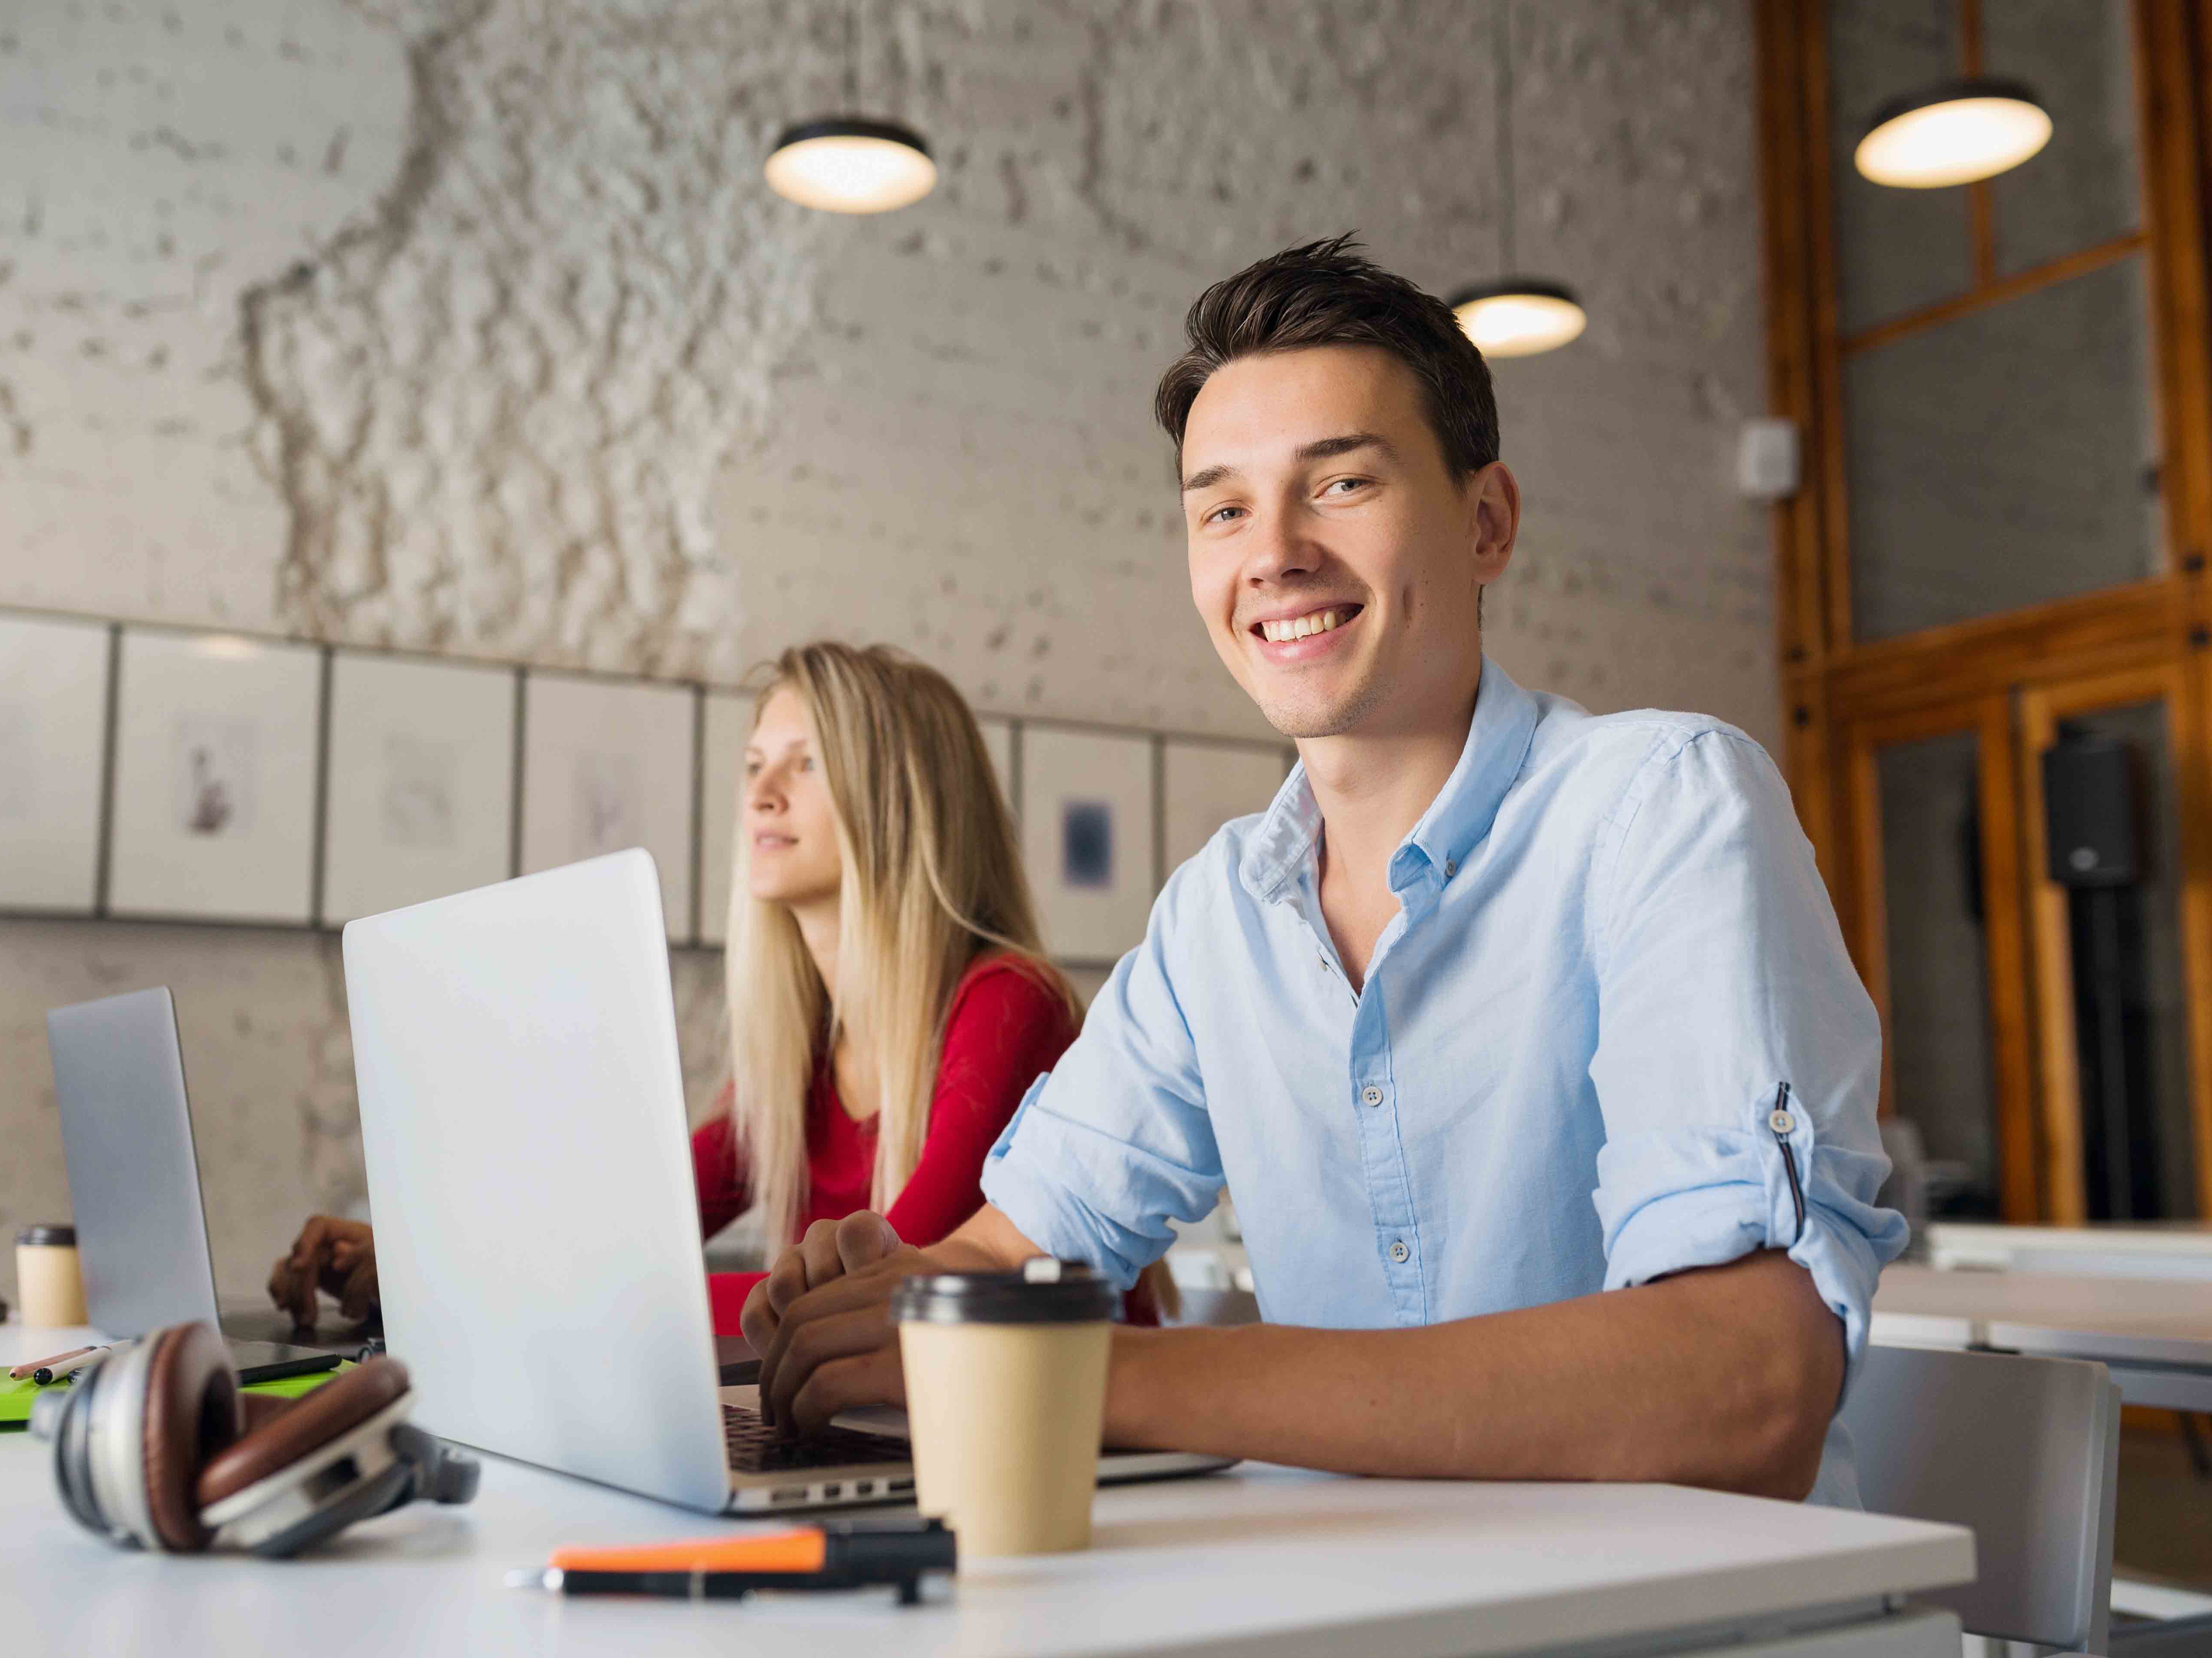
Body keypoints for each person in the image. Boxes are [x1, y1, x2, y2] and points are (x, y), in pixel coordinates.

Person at [741, 235, 1907, 1506]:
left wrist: (1079, 1376)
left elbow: (1746, 1386)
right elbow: (1010, 1247)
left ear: (1487, 522)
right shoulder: (1215, 918)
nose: (1275, 552)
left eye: (1340, 484)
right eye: (1224, 508)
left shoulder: (1664, 807)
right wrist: (877, 1302)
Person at [269, 641, 1086, 1335]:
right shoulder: (801, 1053)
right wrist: (423, 1266)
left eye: (810, 764)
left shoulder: (1009, 1004)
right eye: (756, 765)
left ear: (907, 803)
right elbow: (622, 1235)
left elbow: (875, 1294)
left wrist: (472, 1298)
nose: (764, 793)